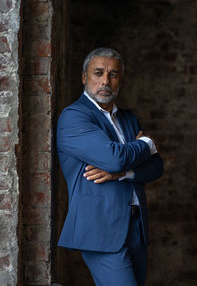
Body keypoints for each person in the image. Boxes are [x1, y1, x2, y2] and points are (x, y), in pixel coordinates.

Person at [56, 47, 164, 286]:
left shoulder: (129, 119)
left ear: (120, 80)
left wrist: (122, 173)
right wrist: (145, 144)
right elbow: (114, 158)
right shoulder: (73, 117)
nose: (106, 80)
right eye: (98, 73)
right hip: (100, 230)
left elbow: (156, 166)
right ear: (85, 77)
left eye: (113, 74)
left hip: (136, 227)